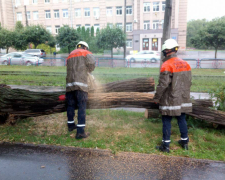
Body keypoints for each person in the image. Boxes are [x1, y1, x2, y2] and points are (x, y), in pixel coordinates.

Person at [153, 39, 192, 153]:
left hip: (170, 99)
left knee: (166, 120)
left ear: (166, 51)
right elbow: (188, 82)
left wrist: (156, 98)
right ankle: (184, 142)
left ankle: (165, 146)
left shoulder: (167, 64)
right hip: (183, 98)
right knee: (182, 119)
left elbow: (163, 84)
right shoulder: (186, 64)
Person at [66, 41, 95, 139]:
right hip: (81, 85)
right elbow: (92, 65)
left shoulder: (70, 54)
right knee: (82, 107)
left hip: (69, 85)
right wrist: (88, 71)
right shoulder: (86, 53)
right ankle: (80, 132)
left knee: (70, 105)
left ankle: (70, 126)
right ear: (85, 47)